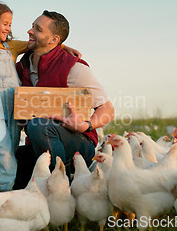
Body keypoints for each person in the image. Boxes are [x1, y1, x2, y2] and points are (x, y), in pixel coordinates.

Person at [0, 1, 82, 191]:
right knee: (2, 151)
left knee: (11, 149)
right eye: (4, 23)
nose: (8, 28)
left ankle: (10, 190)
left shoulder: (11, 46)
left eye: (10, 24)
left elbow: (43, 43)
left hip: (15, 103)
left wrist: (64, 47)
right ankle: (4, 191)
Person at [15, 10, 115, 173]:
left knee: (38, 125)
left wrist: (85, 125)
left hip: (78, 144)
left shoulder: (74, 68)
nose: (30, 31)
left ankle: (60, 183)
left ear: (54, 40)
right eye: (32, 26)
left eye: (38, 29)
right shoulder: (21, 67)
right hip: (40, 146)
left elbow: (108, 110)